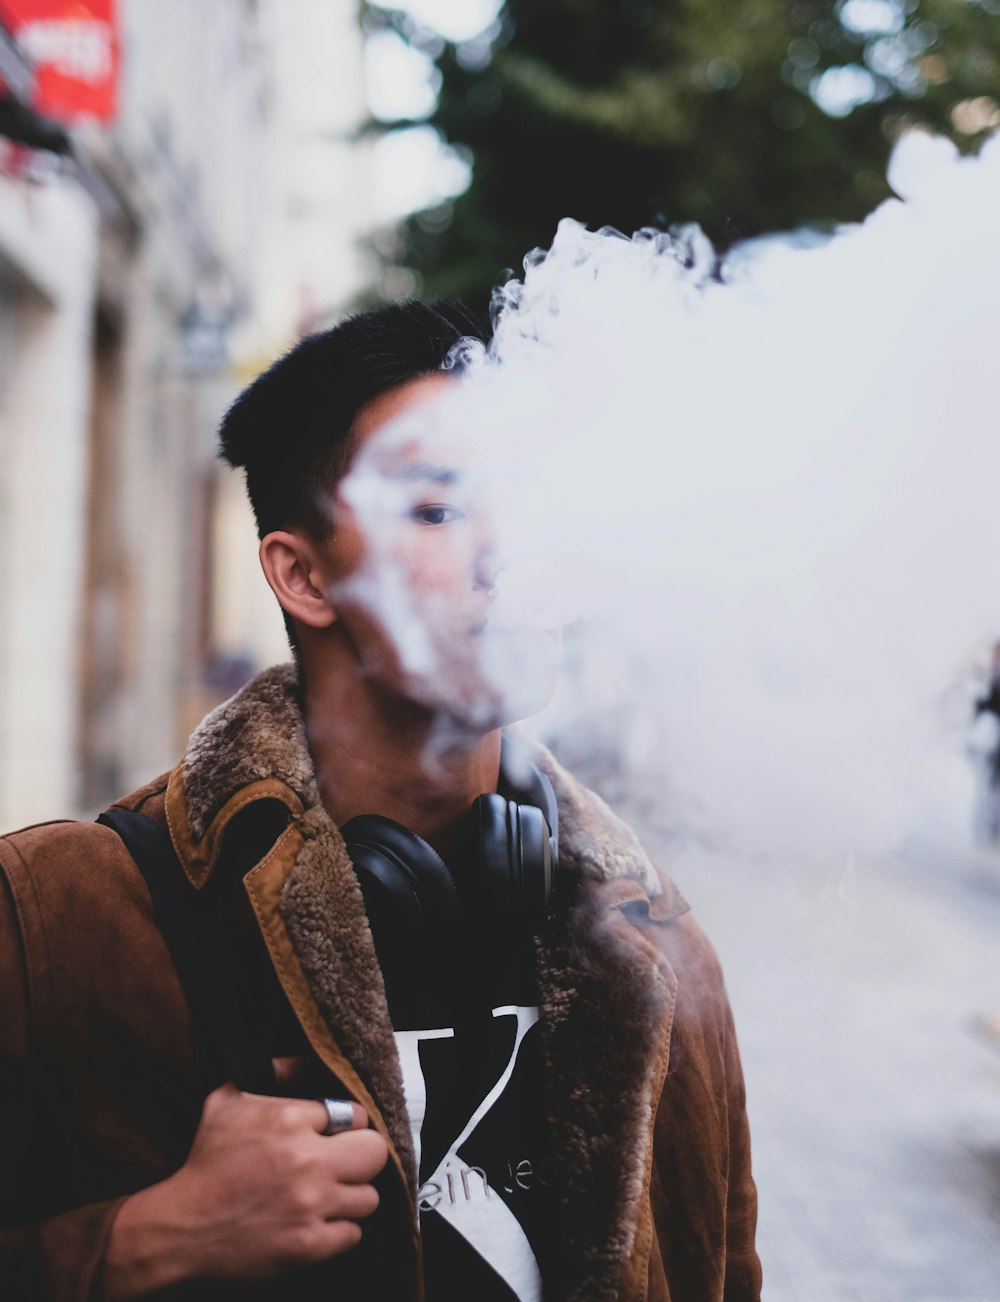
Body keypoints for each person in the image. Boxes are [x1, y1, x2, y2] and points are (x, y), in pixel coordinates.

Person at [0, 301, 761, 1301]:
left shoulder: (653, 946)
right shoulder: (61, 918)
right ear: (304, 575)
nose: (506, 553)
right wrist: (144, 1240)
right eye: (439, 510)